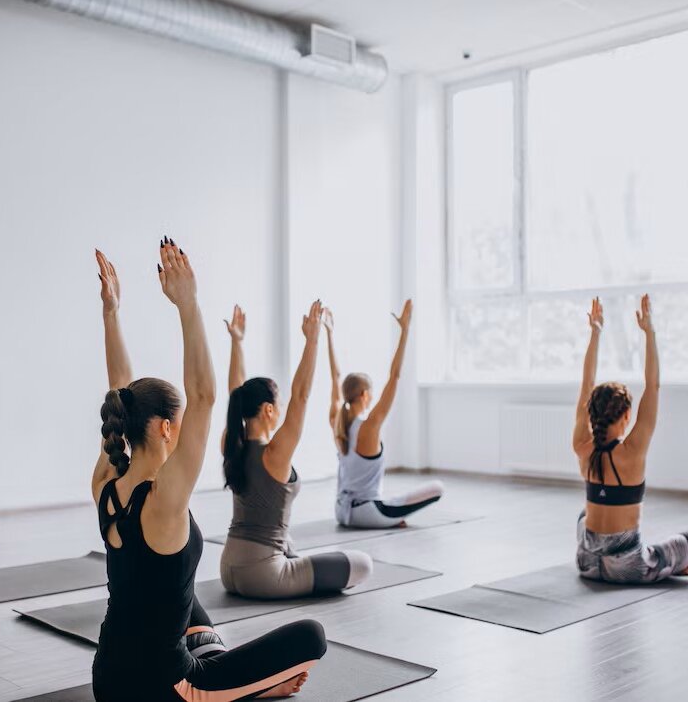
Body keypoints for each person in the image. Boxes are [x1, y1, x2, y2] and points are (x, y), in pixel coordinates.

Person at [91, 241, 326, 702]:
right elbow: (203, 395)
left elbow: (116, 388)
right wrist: (188, 303)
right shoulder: (164, 499)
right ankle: (249, 689)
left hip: (108, 678)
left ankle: (234, 677)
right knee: (311, 636)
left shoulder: (106, 482)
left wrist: (112, 312)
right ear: (164, 428)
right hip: (165, 690)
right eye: (179, 423)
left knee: (182, 593)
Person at [219, 303, 372, 599]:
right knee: (362, 564)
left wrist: (237, 342)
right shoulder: (274, 453)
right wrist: (312, 340)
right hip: (264, 576)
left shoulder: (231, 444)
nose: (280, 411)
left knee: (290, 544)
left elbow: (235, 393)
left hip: (228, 569)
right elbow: (301, 396)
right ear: (268, 410)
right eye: (277, 407)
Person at [573, 295, 688, 583]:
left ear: (591, 412)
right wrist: (650, 333)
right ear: (626, 416)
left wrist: (595, 332)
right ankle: (673, 564)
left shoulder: (582, 448)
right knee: (685, 540)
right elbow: (654, 385)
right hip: (627, 567)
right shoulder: (632, 452)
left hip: (586, 562)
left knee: (584, 515)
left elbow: (586, 384)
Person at [326, 300, 443, 529]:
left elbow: (334, 377)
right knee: (437, 488)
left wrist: (329, 334)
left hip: (341, 510)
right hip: (366, 513)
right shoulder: (369, 426)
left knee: (392, 500)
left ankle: (387, 514)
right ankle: (387, 518)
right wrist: (405, 331)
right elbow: (395, 376)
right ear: (365, 395)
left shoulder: (337, 423)